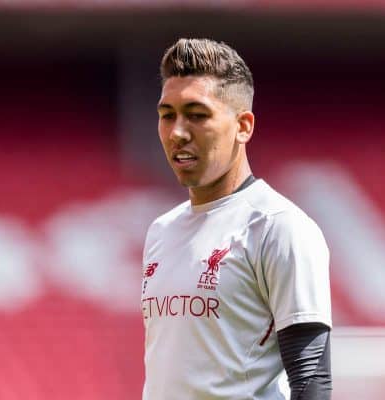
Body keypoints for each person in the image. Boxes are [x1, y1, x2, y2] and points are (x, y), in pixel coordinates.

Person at [141, 38, 332, 400]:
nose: (178, 132)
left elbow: (311, 381)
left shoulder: (278, 226)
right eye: (167, 115)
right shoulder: (160, 231)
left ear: (243, 126)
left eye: (197, 115)